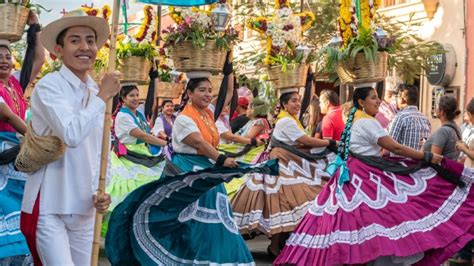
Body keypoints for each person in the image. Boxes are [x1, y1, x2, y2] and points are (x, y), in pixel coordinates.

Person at [275, 84, 474, 266]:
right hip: (365, 176)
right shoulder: (367, 122)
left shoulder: (356, 120)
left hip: (354, 174)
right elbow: (394, 147)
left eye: (378, 97)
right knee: (387, 217)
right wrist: (426, 156)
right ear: (361, 102)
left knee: (359, 223)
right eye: (373, 97)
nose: (378, 101)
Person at [105, 72, 279, 265]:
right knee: (189, 224)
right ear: (189, 93)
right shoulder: (183, 118)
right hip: (187, 172)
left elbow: (227, 93)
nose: (207, 94)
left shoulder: (207, 114)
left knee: (217, 221)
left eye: (210, 91)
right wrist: (221, 159)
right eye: (202, 90)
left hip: (205, 171)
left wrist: (228, 69)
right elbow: (198, 143)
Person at [19, 10, 120, 265]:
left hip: (86, 206)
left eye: (90, 40)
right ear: (58, 49)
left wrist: (103, 190)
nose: (85, 47)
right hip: (50, 206)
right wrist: (102, 97)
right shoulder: (49, 86)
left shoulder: (97, 91)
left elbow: (100, 149)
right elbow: (72, 134)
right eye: (75, 40)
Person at [231, 89, 337, 257]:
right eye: (293, 101)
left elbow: (302, 144)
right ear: (284, 105)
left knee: (283, 206)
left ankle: (278, 244)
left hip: (289, 162)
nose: (297, 103)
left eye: (298, 100)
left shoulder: (291, 120)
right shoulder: (286, 122)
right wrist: (330, 143)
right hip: (282, 164)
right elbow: (306, 141)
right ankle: (275, 246)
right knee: (283, 204)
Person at [0, 10, 44, 265]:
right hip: (4, 154)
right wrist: (39, 142)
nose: (4, 61)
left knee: (21, 210)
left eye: (7, 56)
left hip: (18, 155)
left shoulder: (15, 83)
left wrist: (35, 26)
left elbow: (38, 57)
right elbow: (7, 116)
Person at [106, 84, 167, 211]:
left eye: (137, 95)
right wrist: (167, 144)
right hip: (130, 155)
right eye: (131, 95)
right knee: (133, 186)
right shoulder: (123, 116)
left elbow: (147, 134)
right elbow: (143, 136)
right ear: (123, 98)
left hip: (144, 152)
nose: (135, 98)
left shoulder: (138, 114)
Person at [388, 84, 431, 153]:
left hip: (401, 162)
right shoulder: (425, 119)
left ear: (402, 100)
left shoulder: (400, 117)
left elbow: (389, 144)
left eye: (397, 98)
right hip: (420, 162)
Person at [424, 95, 462, 160]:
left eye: (437, 107)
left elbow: (434, 159)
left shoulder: (443, 131)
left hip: (438, 169)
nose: (435, 109)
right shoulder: (456, 128)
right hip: (450, 169)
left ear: (442, 112)